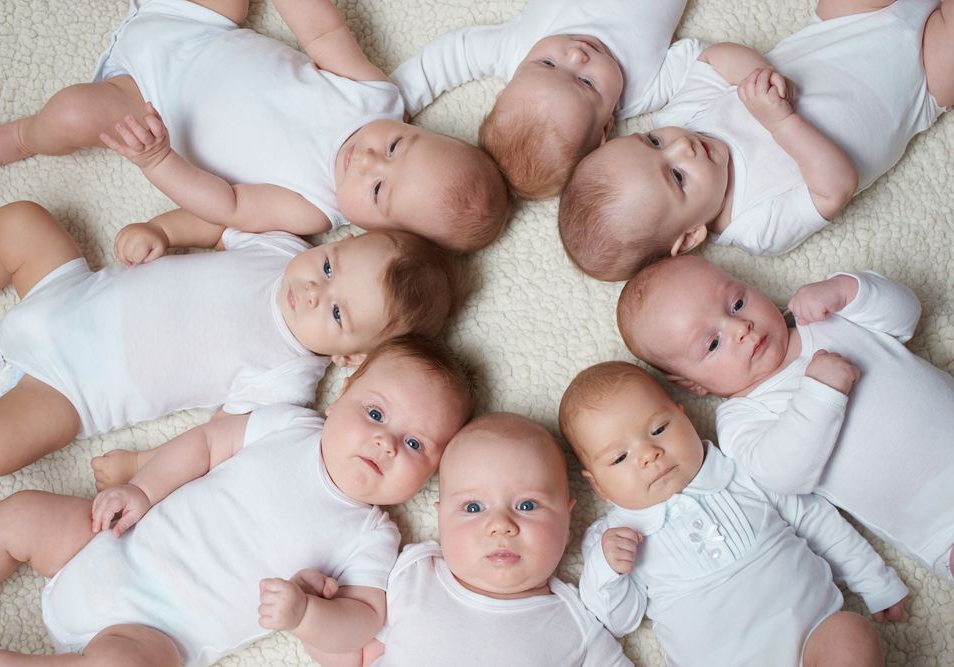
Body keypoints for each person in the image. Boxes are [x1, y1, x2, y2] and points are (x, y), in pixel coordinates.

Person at [0, 336, 473, 667]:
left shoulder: (371, 534)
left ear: (432, 474)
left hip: (154, 632)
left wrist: (305, 614)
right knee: (21, 513)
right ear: (338, 400)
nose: (385, 443)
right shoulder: (291, 425)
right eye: (376, 415)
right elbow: (205, 445)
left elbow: (362, 618)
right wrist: (142, 489)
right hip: (111, 540)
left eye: (414, 444)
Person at [0, 200, 461, 477]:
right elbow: (217, 223)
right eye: (329, 267)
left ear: (351, 356)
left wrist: (142, 466)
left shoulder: (287, 378)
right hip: (67, 290)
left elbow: (212, 441)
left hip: (70, 390)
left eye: (334, 312)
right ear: (340, 241)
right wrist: (163, 232)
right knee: (19, 220)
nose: (311, 291)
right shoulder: (280, 247)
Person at [0, 0, 510, 252]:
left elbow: (227, 205)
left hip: (146, 100)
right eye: (397, 144)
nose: (368, 158)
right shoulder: (375, 97)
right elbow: (324, 35)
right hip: (197, 21)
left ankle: (23, 135)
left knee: (73, 114)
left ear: (376, 229)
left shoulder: (313, 206)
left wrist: (158, 161)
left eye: (379, 187)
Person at [616, 255, 954, 585]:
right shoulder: (740, 418)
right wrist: (821, 393)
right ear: (693, 384)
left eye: (736, 304)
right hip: (939, 524)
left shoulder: (822, 316)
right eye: (714, 343)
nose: (740, 328)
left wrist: (846, 290)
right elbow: (784, 475)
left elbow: (906, 316)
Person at [559, 0, 954, 280]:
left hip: (840, 25)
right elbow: (836, 186)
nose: (683, 146)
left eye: (652, 142)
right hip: (916, 84)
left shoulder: (679, 120)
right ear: (691, 236)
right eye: (678, 177)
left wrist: (760, 74)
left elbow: (714, 59)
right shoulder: (756, 227)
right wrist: (780, 120)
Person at [559, 361, 908, 666]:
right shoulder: (613, 538)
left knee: (851, 633)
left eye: (659, 430)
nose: (648, 454)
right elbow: (619, 621)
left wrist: (876, 582)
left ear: (686, 417)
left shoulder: (744, 469)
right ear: (599, 487)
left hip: (813, 638)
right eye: (619, 457)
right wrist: (606, 571)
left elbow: (817, 521)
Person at [312, 412, 631, 666]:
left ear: (568, 516)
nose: (500, 526)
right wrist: (309, 617)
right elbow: (356, 655)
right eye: (473, 507)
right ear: (440, 517)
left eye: (527, 506)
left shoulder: (575, 623)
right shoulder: (414, 574)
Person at [390, 0, 688, 198]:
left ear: (505, 90)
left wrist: (397, 100)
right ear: (605, 130)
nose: (575, 54)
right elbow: (704, 68)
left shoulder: (514, 52)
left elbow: (451, 56)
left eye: (547, 64)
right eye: (586, 82)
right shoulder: (643, 89)